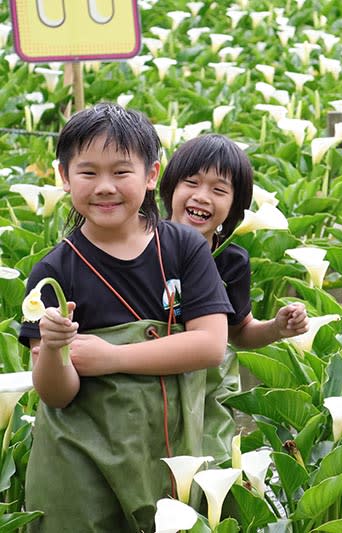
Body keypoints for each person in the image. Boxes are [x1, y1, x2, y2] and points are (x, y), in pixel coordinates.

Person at [18, 103, 233, 533]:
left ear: (152, 175)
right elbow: (56, 396)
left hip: (171, 443)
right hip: (81, 457)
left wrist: (112, 356)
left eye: (121, 172)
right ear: (63, 177)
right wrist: (55, 351)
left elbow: (210, 346)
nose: (105, 187)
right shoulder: (52, 274)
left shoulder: (183, 249)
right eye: (87, 172)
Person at [159, 134, 308, 462]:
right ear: (169, 187)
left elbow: (239, 332)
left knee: (210, 467)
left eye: (219, 190)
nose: (202, 197)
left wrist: (277, 328)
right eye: (192, 182)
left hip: (208, 392)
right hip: (149, 384)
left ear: (234, 207)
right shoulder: (143, 245)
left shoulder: (232, 261)